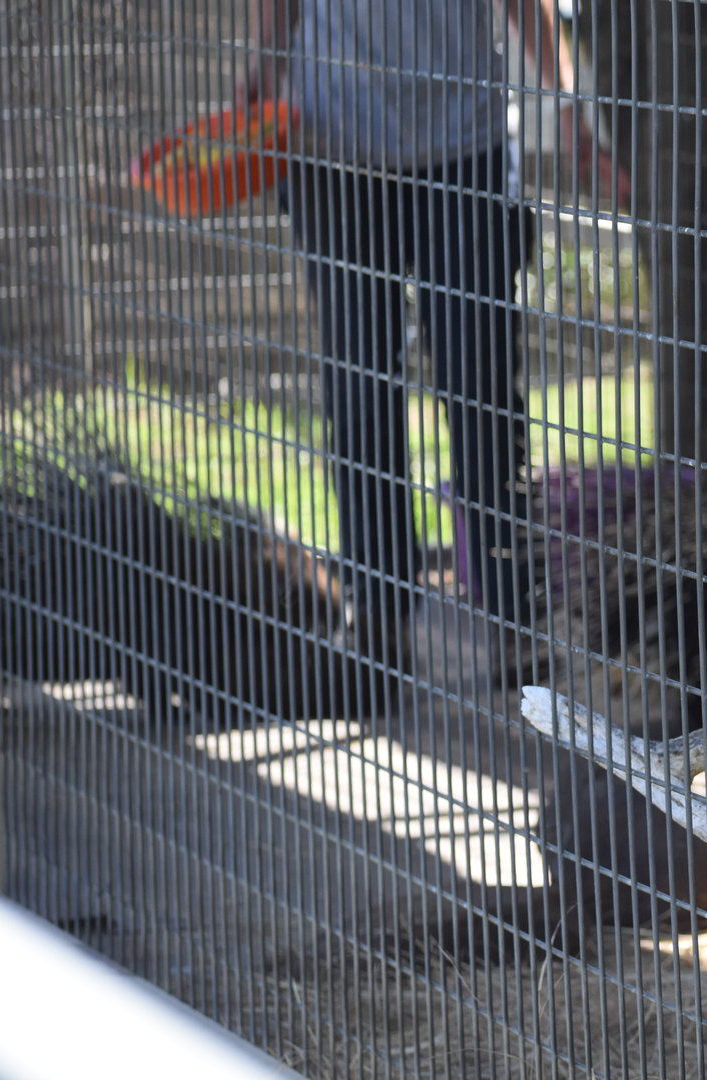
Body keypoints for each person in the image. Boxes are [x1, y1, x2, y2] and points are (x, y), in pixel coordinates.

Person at [238, 0, 626, 668]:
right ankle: (380, 618)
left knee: (479, 384)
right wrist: (264, 69)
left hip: (464, 147)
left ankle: (516, 619)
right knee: (360, 386)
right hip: (337, 146)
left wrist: (565, 105)